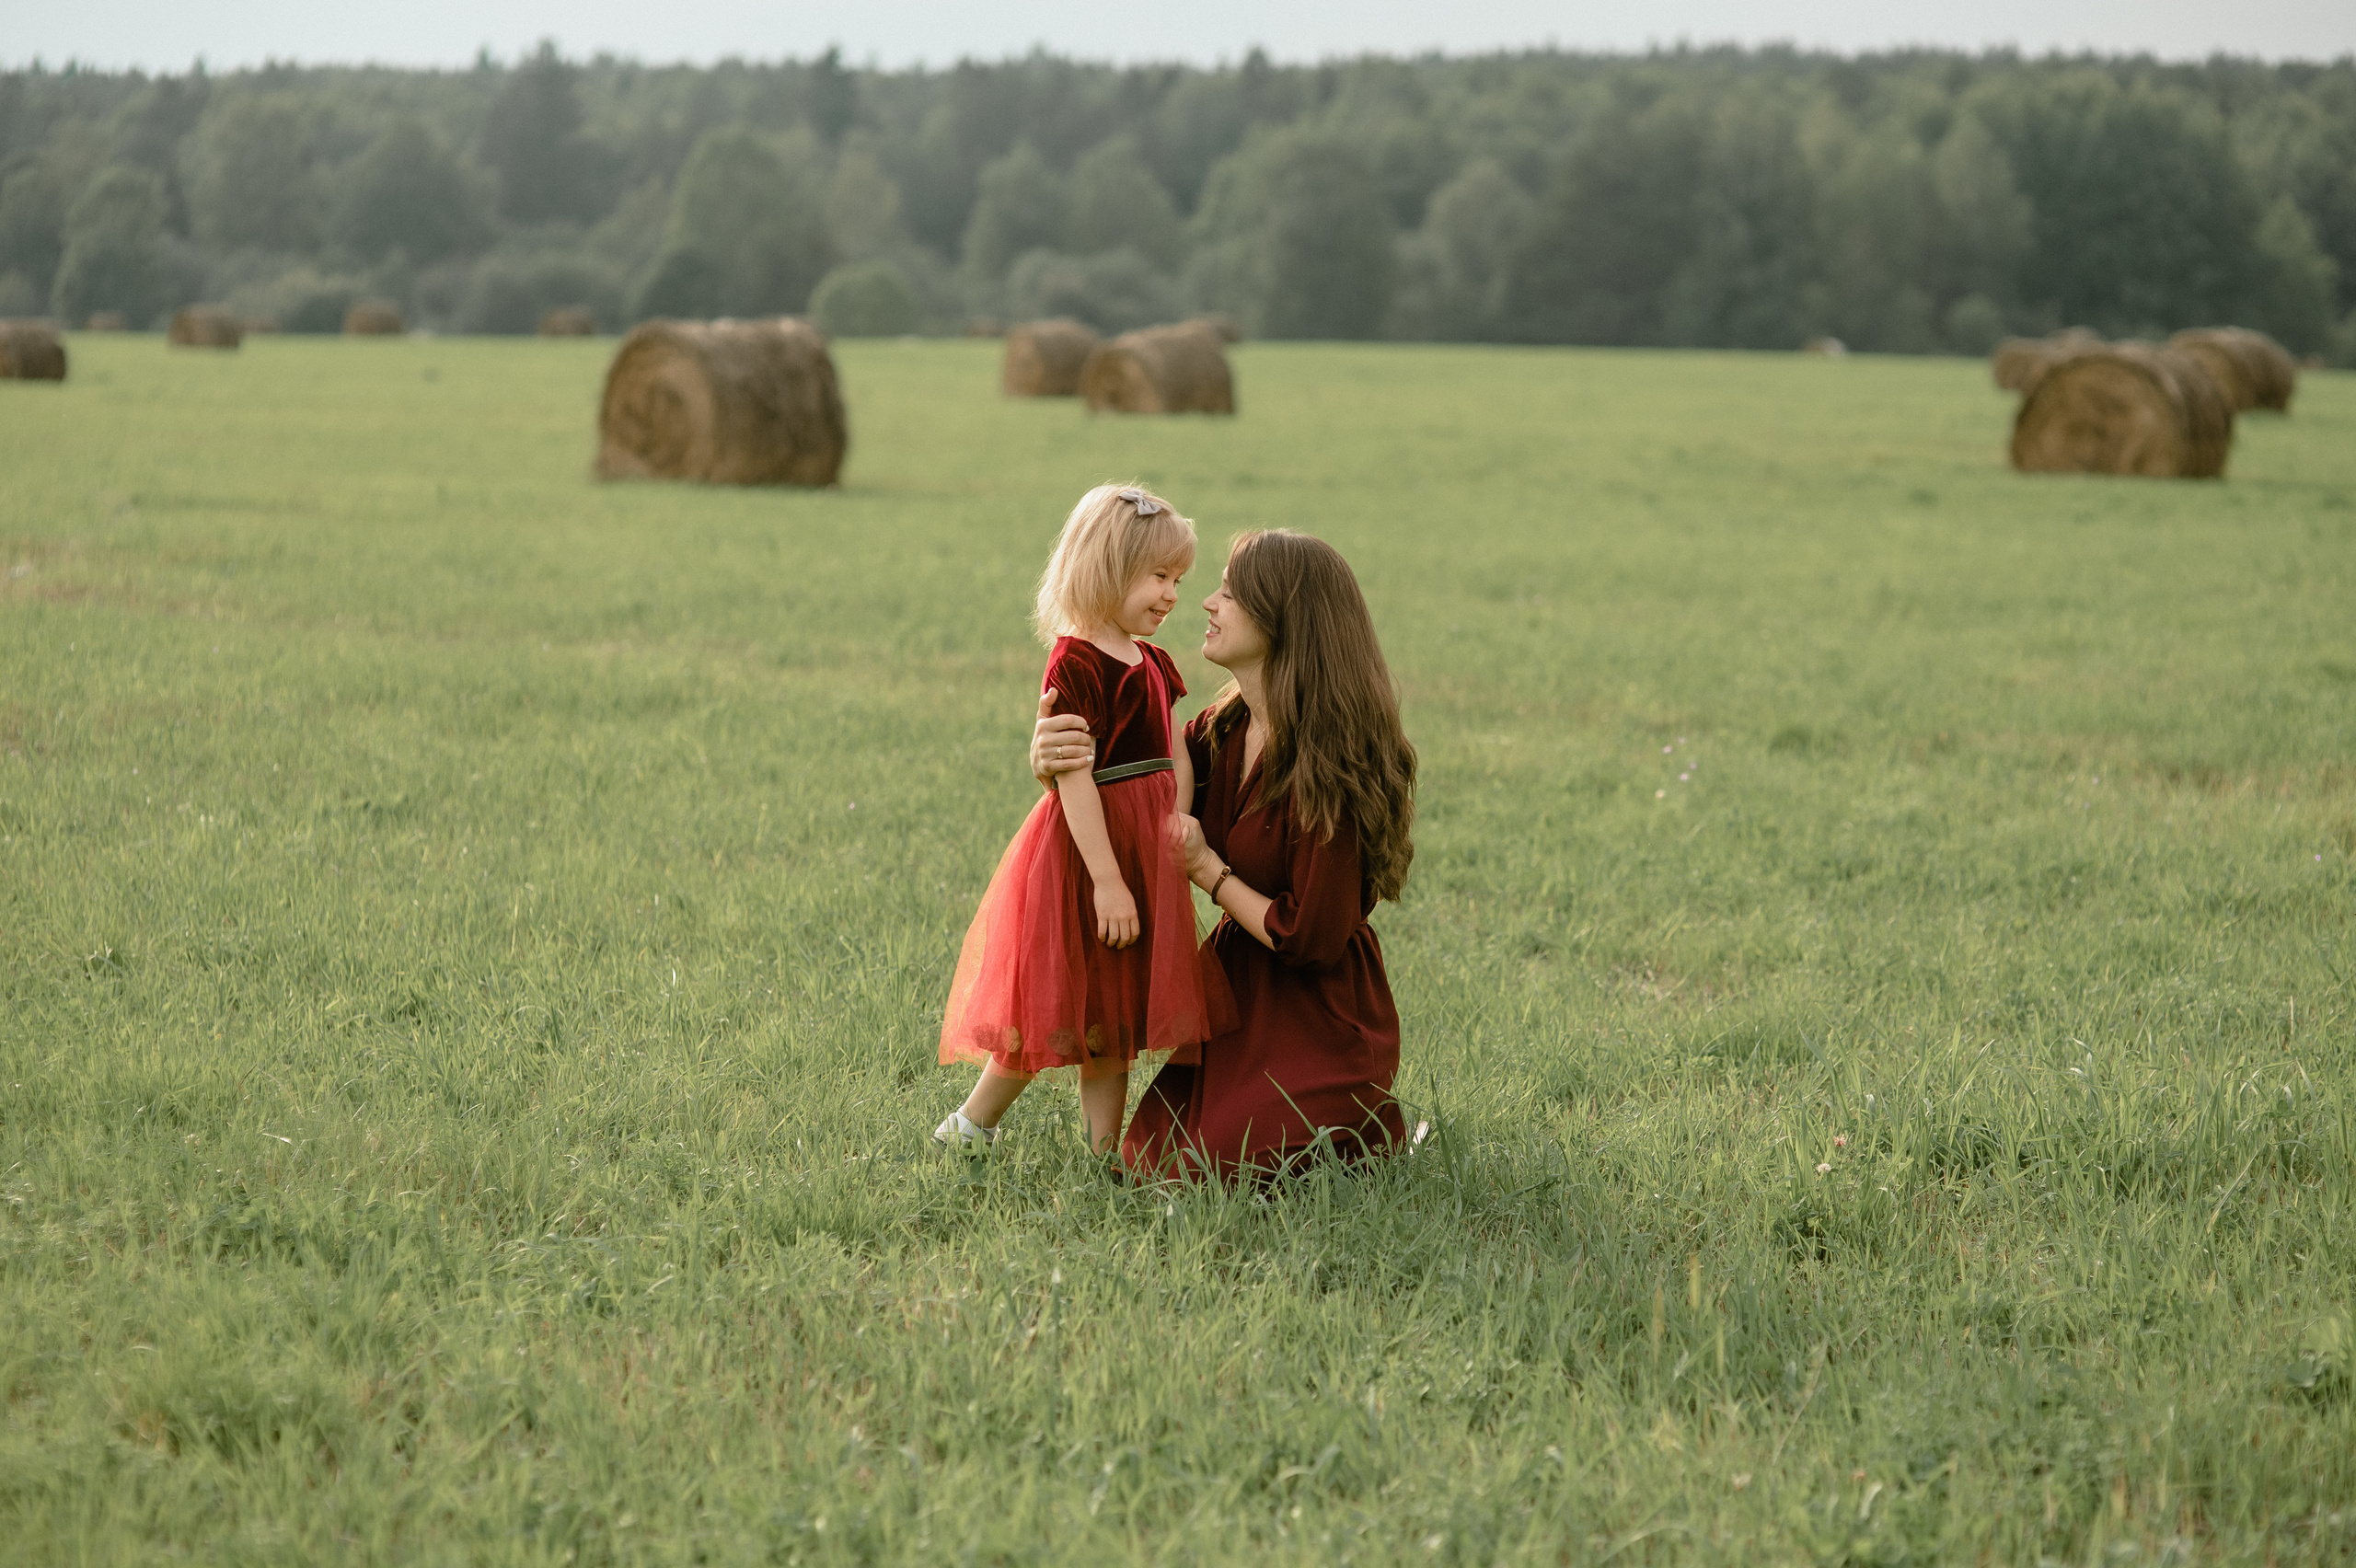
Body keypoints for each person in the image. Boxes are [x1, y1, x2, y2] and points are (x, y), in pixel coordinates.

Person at [1032, 529, 1417, 1177]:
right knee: (1148, 1165)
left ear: (1281, 619)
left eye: (1230, 594)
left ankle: (1365, 1121)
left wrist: (1208, 871)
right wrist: (1050, 758)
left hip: (1321, 1017)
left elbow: (1312, 938)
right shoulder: (1223, 731)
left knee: (1220, 1171)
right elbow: (1129, 780)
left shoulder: (1334, 766)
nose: (1207, 603)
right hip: (1238, 1003)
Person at [935, 483, 1233, 1154]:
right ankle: (971, 1124)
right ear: (1108, 569)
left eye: (1178, 580)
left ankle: (1103, 1155)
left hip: (1144, 852)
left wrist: (1178, 821)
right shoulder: (1076, 660)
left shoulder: (1155, 663)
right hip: (1089, 856)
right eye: (1159, 577)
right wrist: (1106, 879)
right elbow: (1072, 775)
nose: (1173, 595)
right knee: (1059, 1005)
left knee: (1114, 1014)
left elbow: (1175, 754)